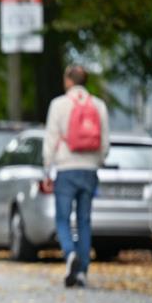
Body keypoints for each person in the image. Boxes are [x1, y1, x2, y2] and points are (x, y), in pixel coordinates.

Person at [42, 64, 110, 288]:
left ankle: (70, 254)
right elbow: (105, 144)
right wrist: (96, 162)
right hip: (90, 170)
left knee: (62, 218)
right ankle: (82, 272)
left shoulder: (59, 104)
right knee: (84, 221)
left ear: (69, 81)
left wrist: (47, 167)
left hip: (66, 169)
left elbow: (51, 138)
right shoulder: (98, 106)